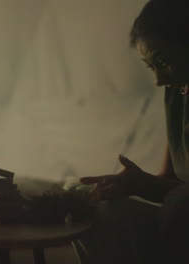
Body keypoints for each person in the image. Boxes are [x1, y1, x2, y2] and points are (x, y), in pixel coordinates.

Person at [76, 0, 189, 263]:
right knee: (95, 206)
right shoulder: (176, 93)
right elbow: (169, 181)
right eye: (151, 66)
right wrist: (130, 184)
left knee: (179, 203)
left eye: (163, 62)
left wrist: (146, 185)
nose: (158, 80)